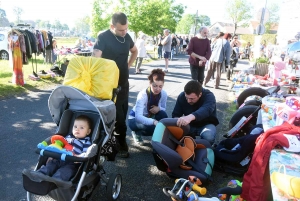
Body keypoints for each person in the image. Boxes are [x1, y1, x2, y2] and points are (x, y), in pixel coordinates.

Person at [92, 12, 138, 158]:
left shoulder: (127, 37)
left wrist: (129, 65)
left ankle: (120, 143)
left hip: (123, 85)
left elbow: (134, 51)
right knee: (112, 118)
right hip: (108, 87)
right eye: (120, 30)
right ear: (112, 26)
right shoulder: (103, 37)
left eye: (126, 29)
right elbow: (95, 59)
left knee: (122, 116)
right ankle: (111, 147)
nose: (124, 32)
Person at [37, 115, 92, 181]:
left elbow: (86, 153)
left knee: (64, 172)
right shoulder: (67, 137)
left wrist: (78, 156)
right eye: (75, 127)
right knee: (50, 166)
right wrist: (52, 156)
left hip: (72, 163)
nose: (77, 129)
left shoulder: (86, 142)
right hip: (59, 158)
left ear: (88, 132)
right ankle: (39, 175)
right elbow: (58, 146)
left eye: (81, 128)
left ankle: (54, 181)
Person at [128, 69, 168, 145]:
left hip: (149, 116)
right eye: (155, 86)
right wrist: (154, 122)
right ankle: (136, 133)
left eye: (160, 86)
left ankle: (159, 139)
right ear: (150, 83)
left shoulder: (163, 94)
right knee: (154, 127)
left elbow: (163, 108)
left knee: (163, 115)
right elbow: (138, 117)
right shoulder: (142, 94)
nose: (157, 89)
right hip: (134, 119)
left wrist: (158, 108)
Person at [172, 80, 219, 145]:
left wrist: (190, 117)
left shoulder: (209, 96)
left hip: (206, 124)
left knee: (209, 137)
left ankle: (206, 150)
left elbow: (206, 109)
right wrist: (178, 122)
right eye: (187, 98)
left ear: (200, 94)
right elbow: (176, 114)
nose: (188, 101)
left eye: (191, 99)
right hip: (189, 125)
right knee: (176, 135)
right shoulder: (182, 96)